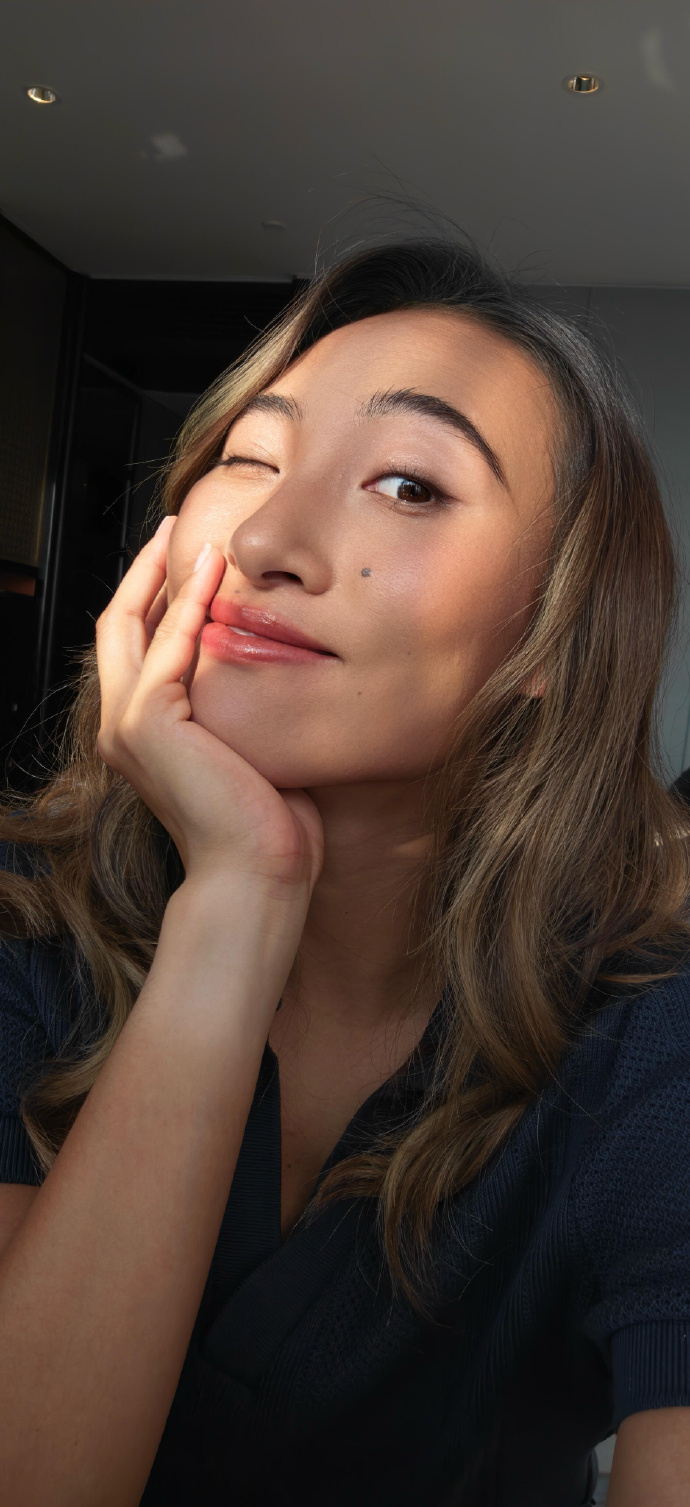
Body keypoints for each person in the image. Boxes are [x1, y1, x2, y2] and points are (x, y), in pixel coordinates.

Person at [0, 239, 689, 1507]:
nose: (265, 536)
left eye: (408, 485)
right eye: (250, 459)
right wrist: (238, 900)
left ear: (557, 629)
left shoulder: (649, 1041)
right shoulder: (26, 925)